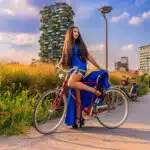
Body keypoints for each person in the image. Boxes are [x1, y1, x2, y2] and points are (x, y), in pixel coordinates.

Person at [56, 25, 104, 128]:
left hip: (80, 68)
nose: (76, 33)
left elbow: (88, 56)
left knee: (70, 83)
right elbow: (63, 57)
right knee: (76, 96)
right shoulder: (67, 45)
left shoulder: (80, 44)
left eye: (77, 32)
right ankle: (77, 120)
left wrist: (98, 66)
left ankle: (95, 91)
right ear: (70, 33)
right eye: (74, 32)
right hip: (73, 70)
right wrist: (59, 64)